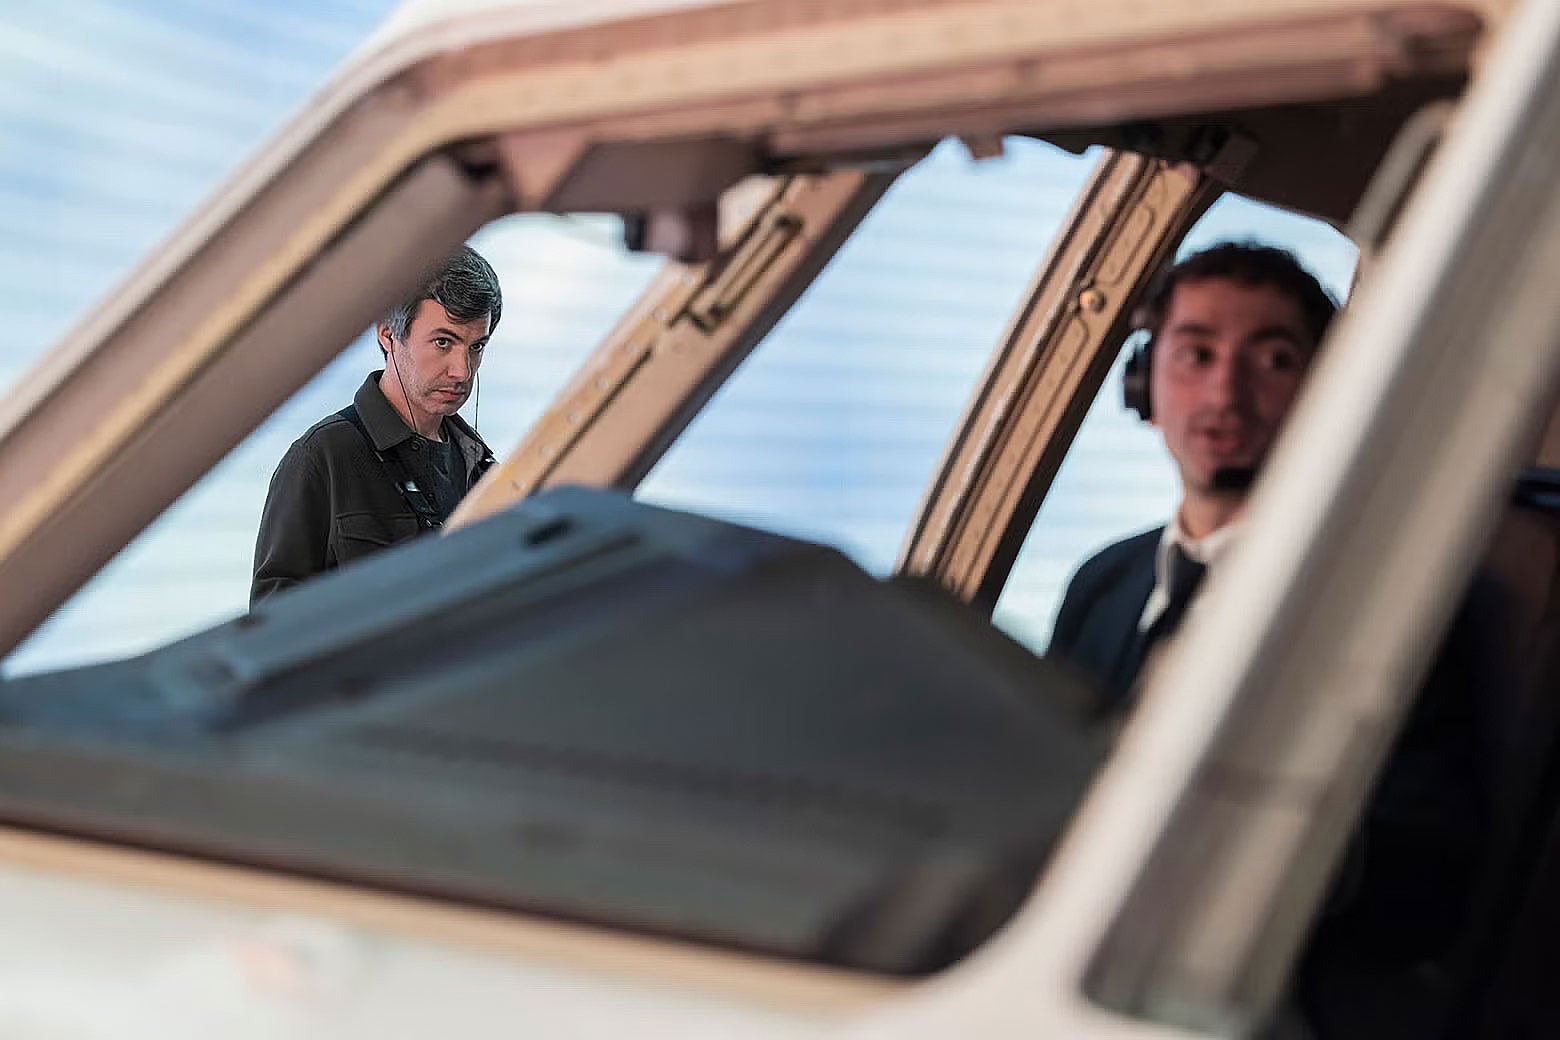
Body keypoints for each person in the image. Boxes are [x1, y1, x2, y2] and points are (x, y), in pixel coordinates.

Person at [1047, 241, 1337, 711]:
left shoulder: (1370, 591)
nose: (1226, 394)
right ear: (1143, 389)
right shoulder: (1099, 586)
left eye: (1275, 361)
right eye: (1197, 355)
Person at [250, 245, 501, 606]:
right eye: (443, 342)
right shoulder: (322, 457)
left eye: (476, 347)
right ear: (387, 334)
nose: (462, 371)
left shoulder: (482, 466)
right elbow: (272, 627)